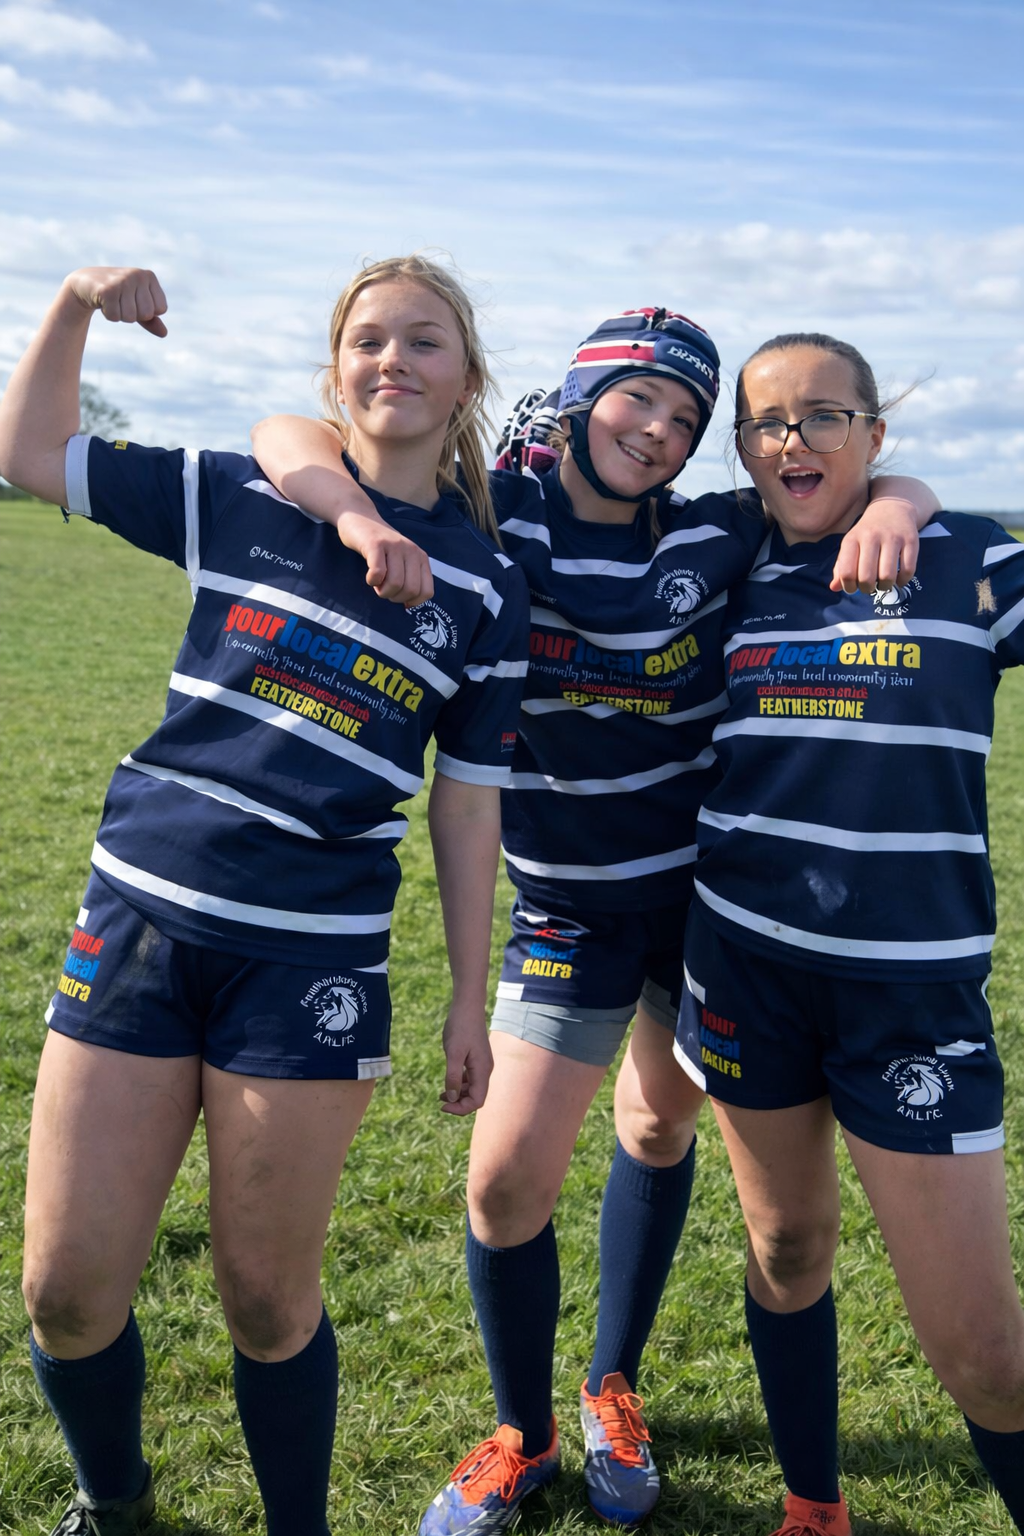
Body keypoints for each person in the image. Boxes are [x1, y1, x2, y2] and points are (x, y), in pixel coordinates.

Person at [251, 309, 937, 1532]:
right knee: (503, 1183)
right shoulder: (491, 511)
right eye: (638, 400)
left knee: (657, 1127)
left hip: (702, 906)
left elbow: (845, 483)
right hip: (565, 905)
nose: (659, 430)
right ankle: (521, 1435)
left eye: (685, 417)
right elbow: (293, 435)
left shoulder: (712, 531)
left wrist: (903, 498)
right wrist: (355, 516)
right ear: (580, 399)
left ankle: (612, 1385)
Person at [0, 257, 529, 1536]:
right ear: (335, 371)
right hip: (138, 921)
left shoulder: (486, 589)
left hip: (310, 961)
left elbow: (466, 806)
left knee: (265, 1301)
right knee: (65, 1293)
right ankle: (114, 1506)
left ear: (467, 380)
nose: (392, 358)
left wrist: (469, 996)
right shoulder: (240, 493)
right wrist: (73, 302)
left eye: (424, 341)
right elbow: (29, 456)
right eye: (367, 339)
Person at [674, 331, 1024, 1536]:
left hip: (909, 998)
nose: (793, 440)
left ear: (874, 431)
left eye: (823, 415)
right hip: (743, 970)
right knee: (784, 1247)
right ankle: (811, 1508)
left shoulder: (966, 557)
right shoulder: (726, 569)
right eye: (766, 423)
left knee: (987, 1359)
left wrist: (909, 505)